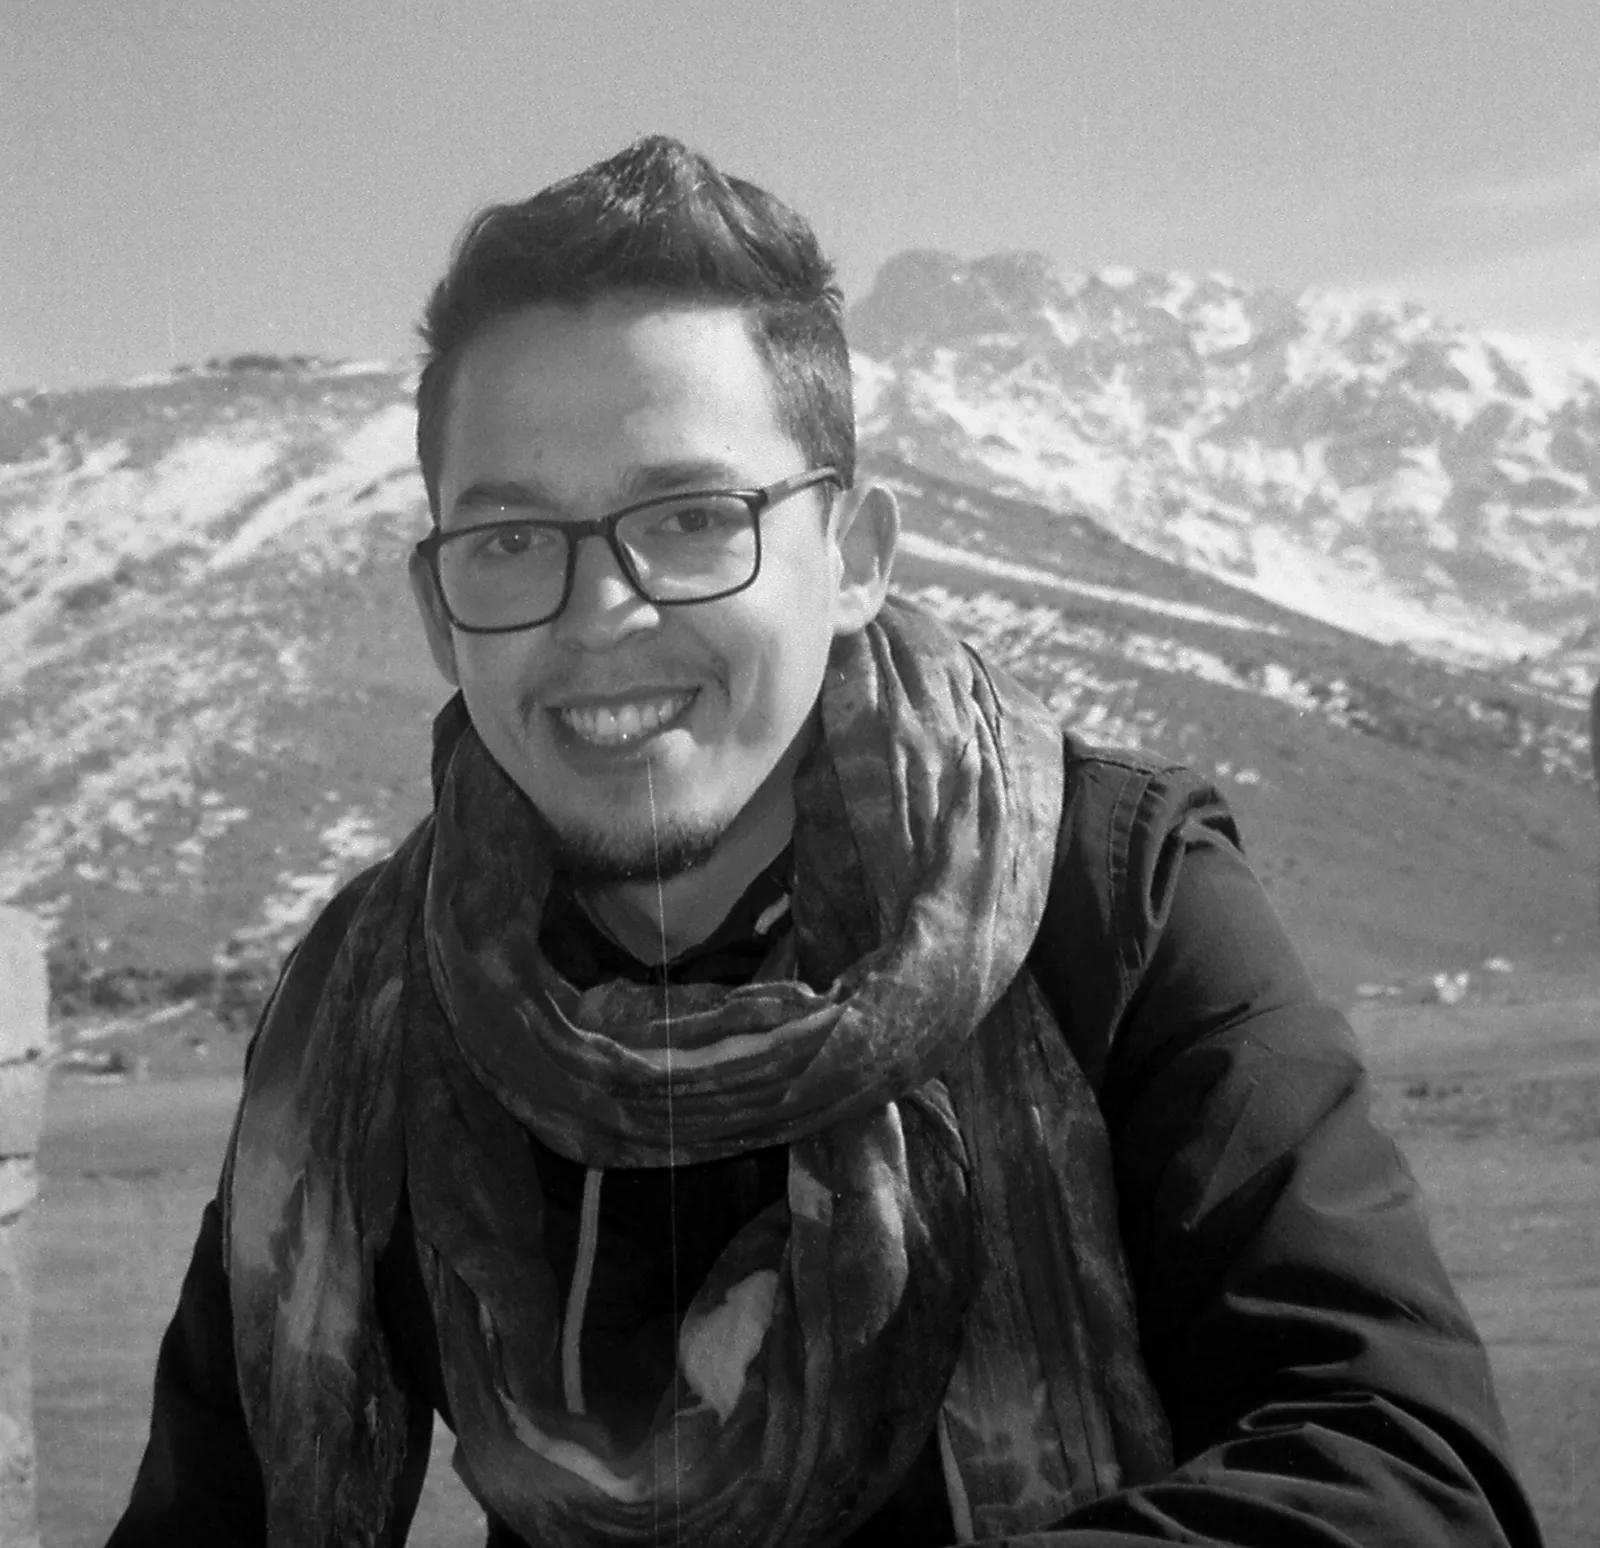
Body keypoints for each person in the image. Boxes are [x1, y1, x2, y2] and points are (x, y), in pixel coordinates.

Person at [109, 135, 1542, 1547]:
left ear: (853, 558)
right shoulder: (372, 1005)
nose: (601, 616)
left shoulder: (1113, 894)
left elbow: (1407, 1473)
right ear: (438, 610)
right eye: (509, 541)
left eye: (689, 519)